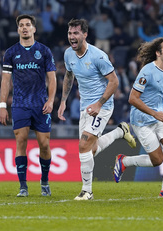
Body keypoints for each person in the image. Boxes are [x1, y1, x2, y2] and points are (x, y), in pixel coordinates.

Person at [57, 19, 136, 200]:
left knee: (83, 145)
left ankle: (87, 191)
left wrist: (99, 104)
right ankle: (119, 132)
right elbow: (69, 76)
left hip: (103, 105)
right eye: (70, 33)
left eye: (76, 33)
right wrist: (63, 101)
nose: (72, 37)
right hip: (86, 106)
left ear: (85, 35)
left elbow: (114, 81)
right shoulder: (68, 54)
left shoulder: (98, 56)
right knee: (89, 151)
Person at [113, 37, 163, 197]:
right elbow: (132, 98)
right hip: (142, 120)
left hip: (159, 115)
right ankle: (124, 161)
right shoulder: (147, 71)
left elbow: (157, 96)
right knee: (157, 160)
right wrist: (154, 113)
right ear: (158, 53)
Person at [0, 14, 57, 197]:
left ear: (34, 29)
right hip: (20, 104)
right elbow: (5, 81)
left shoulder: (44, 51)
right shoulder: (10, 53)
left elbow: (52, 78)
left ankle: (45, 181)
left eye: (28, 25)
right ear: (18, 30)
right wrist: (2, 105)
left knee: (44, 144)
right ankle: (23, 186)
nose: (24, 28)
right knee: (21, 142)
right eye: (21, 25)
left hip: (41, 104)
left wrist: (50, 100)